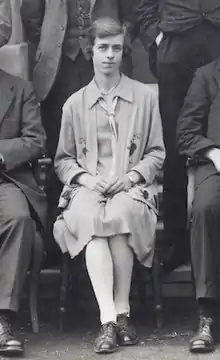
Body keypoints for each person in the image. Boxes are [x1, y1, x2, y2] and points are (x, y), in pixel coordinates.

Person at [53, 17, 165, 354]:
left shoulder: (144, 98)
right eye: (103, 48)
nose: (109, 55)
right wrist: (86, 178)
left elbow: (157, 152)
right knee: (91, 218)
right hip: (88, 189)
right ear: (91, 52)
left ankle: (116, 314)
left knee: (120, 216)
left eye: (116, 48)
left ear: (123, 52)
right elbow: (63, 159)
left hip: (130, 187)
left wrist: (130, 176)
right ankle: (114, 317)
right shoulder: (74, 104)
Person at [20, 0, 136, 262]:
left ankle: (108, 233)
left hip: (105, 64)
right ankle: (58, 241)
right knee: (61, 157)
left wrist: (115, 42)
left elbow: (132, 13)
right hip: (59, 69)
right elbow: (30, 17)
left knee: (110, 153)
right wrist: (52, 44)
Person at [135, 0, 220, 272]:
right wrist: (156, 40)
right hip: (175, 44)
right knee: (174, 144)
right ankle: (175, 243)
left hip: (217, 36)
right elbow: (143, 5)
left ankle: (211, 244)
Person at [0, 72, 46, 355]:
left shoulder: (20, 89)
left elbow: (35, 139)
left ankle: (3, 319)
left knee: (18, 218)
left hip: (7, 179)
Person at [177, 59, 220, 353]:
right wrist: (214, 152)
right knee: (205, 208)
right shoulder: (206, 75)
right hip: (214, 165)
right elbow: (186, 131)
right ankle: (207, 315)